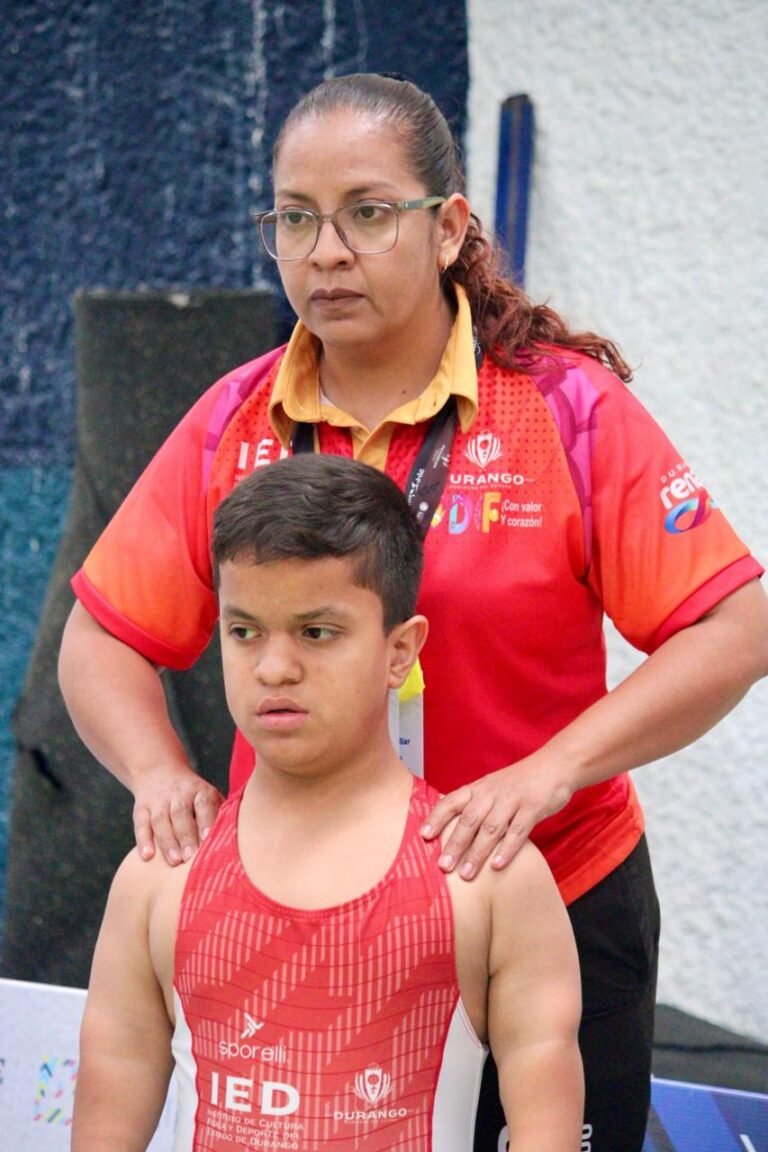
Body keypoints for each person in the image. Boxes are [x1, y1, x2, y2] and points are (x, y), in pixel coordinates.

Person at [58, 72, 768, 1152]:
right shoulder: (232, 420)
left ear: (448, 230)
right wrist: (158, 777)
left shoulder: (564, 411)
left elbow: (736, 624)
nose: (326, 251)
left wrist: (550, 773)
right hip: (308, 914)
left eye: (368, 213)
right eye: (295, 219)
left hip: (547, 888)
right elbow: (103, 630)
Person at [70, 454, 584, 1152]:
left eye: (317, 633)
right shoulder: (161, 875)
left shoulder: (484, 878)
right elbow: (116, 1073)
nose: (275, 668)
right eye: (244, 631)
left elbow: (544, 1105)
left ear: (400, 651)